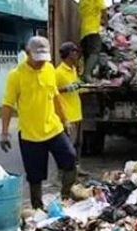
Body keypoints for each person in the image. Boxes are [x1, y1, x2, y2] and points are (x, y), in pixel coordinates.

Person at [0, 36, 77, 209]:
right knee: (35, 176)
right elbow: (7, 105)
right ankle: (37, 208)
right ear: (27, 53)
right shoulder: (16, 76)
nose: (41, 63)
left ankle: (66, 198)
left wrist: (65, 120)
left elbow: (55, 96)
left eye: (44, 59)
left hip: (54, 129)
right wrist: (4, 133)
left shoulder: (49, 69)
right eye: (38, 59)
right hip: (30, 135)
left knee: (70, 158)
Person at [56, 42, 89, 176]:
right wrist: (65, 88)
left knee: (78, 143)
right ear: (69, 54)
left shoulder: (73, 69)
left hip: (77, 112)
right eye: (74, 52)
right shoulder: (58, 72)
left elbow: (76, 86)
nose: (77, 54)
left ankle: (76, 168)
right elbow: (52, 91)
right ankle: (64, 171)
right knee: (67, 146)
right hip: (67, 114)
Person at [78, 0, 107, 82]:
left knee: (87, 54)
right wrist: (106, 22)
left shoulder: (82, 1)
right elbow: (103, 10)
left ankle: (84, 76)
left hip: (84, 31)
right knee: (95, 51)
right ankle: (87, 75)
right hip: (93, 29)